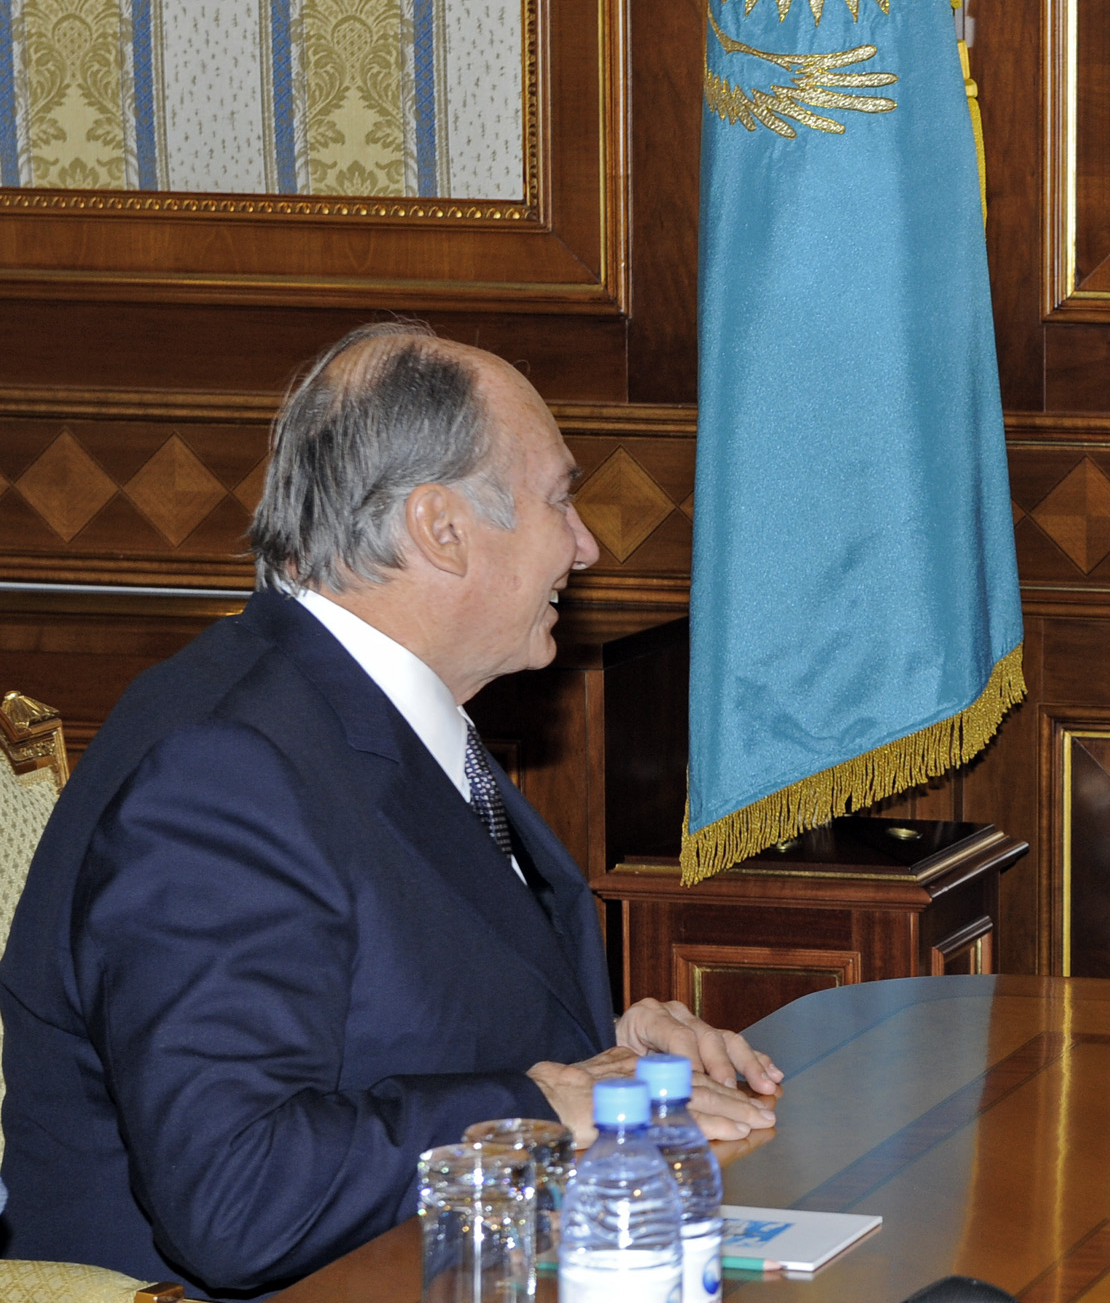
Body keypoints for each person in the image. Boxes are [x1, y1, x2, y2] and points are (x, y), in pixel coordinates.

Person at [0, 325, 786, 1296]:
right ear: (440, 526)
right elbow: (236, 1190)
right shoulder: (222, 764)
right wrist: (544, 1096)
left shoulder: (362, 703)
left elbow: (378, 999)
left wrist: (614, 1055)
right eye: (559, 498)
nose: (584, 545)